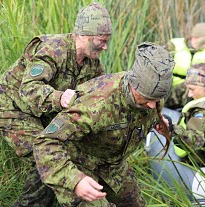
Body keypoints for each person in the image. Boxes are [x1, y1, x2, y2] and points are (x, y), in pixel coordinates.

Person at [0, 2, 112, 206]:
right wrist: (59, 98)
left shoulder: (92, 63)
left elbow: (102, 95)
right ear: (84, 35)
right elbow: (29, 89)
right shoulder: (54, 49)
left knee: (64, 150)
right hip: (8, 108)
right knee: (44, 154)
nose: (105, 47)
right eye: (101, 41)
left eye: (107, 41)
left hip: (37, 112)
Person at [33, 42, 175, 207]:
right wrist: (75, 181)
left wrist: (157, 120)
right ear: (132, 85)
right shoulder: (96, 104)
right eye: (147, 98)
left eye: (156, 100)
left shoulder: (153, 93)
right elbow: (45, 142)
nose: (152, 105)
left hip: (113, 164)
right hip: (78, 164)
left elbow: (145, 111)